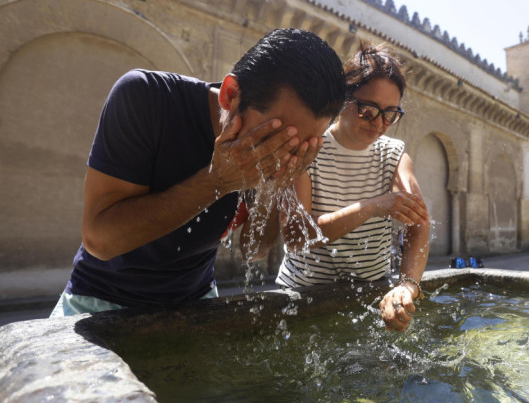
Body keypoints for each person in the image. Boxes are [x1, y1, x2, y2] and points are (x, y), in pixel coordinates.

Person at [50, 29, 347, 316]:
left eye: (300, 146)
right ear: (231, 95)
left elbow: (253, 250)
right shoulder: (148, 98)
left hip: (197, 302)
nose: (281, 153)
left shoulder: (275, 151)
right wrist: (217, 181)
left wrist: (276, 186)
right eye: (274, 138)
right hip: (100, 300)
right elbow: (99, 240)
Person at [277, 43, 431, 332]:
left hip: (369, 296)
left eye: (390, 114)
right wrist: (372, 206)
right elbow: (295, 235)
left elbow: (419, 222)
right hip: (303, 296)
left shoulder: (394, 154)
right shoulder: (309, 146)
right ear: (342, 98)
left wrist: (407, 285)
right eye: (368, 110)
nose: (380, 123)